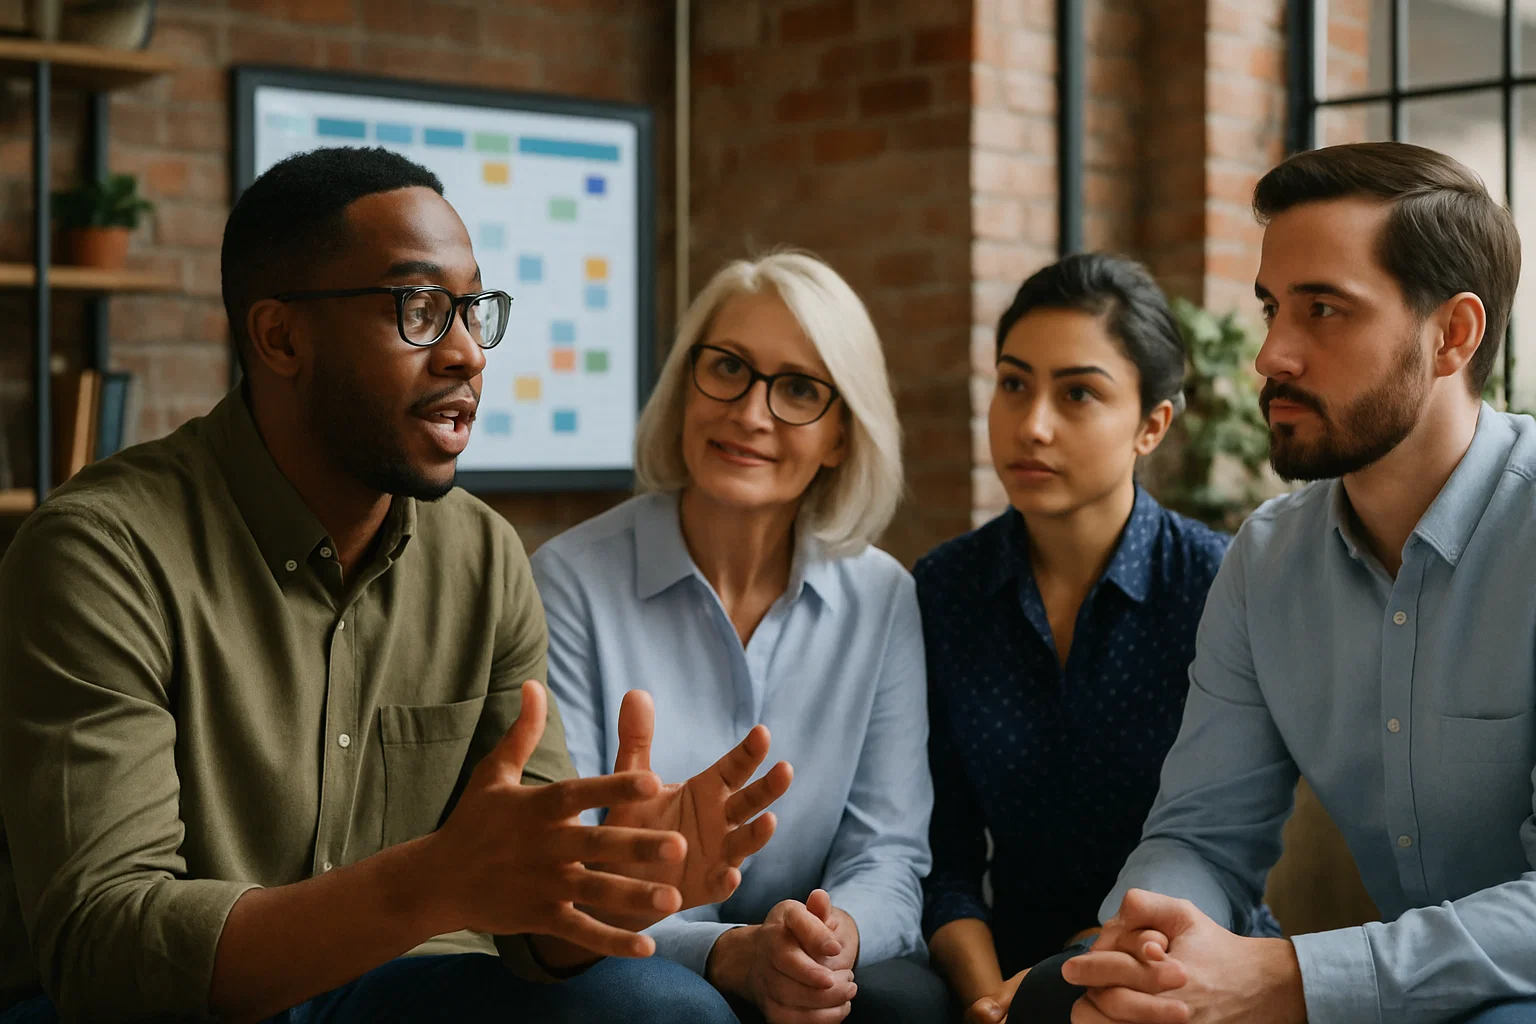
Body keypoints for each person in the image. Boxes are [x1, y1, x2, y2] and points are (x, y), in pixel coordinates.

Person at [0, 147, 792, 1023]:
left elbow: (530, 920)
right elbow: (107, 950)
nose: (465, 354)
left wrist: (609, 883)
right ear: (280, 336)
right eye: (418, 308)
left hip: (395, 991)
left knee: (664, 1010)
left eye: (472, 311)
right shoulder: (98, 553)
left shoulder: (483, 557)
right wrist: (429, 883)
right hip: (175, 1005)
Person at [1052, 142, 1536, 1024]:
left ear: (1452, 336)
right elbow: (1202, 834)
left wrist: (1284, 979)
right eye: (1274, 308)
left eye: (1325, 310)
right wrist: (1150, 952)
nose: (1272, 354)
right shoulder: (1265, 562)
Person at [532, 250, 951, 1023]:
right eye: (727, 368)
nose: (751, 413)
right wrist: (728, 953)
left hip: (808, 951)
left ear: (841, 438)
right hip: (632, 963)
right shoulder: (568, 582)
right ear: (685, 387)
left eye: (798, 389)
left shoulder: (885, 598)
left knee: (904, 1006)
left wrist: (832, 938)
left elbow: (888, 853)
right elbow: (569, 874)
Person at [915, 253, 1279, 1024]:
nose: (1032, 423)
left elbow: (1231, 849)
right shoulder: (945, 590)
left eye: (1078, 393)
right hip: (1000, 974)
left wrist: (1056, 987)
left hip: (1187, 965)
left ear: (1153, 424)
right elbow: (943, 860)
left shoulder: (1219, 584)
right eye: (1013, 384)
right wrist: (992, 1000)